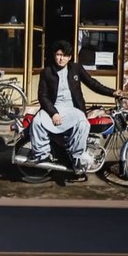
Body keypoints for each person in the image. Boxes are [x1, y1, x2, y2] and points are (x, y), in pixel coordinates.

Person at [29, 39, 116, 175]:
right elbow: (43, 97)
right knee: (37, 122)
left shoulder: (75, 68)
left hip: (73, 109)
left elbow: (93, 84)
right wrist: (53, 113)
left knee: (83, 124)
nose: (61, 58)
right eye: (58, 54)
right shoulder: (46, 72)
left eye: (64, 55)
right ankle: (42, 155)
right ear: (54, 55)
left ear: (69, 57)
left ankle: (77, 158)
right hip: (53, 108)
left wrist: (113, 93)